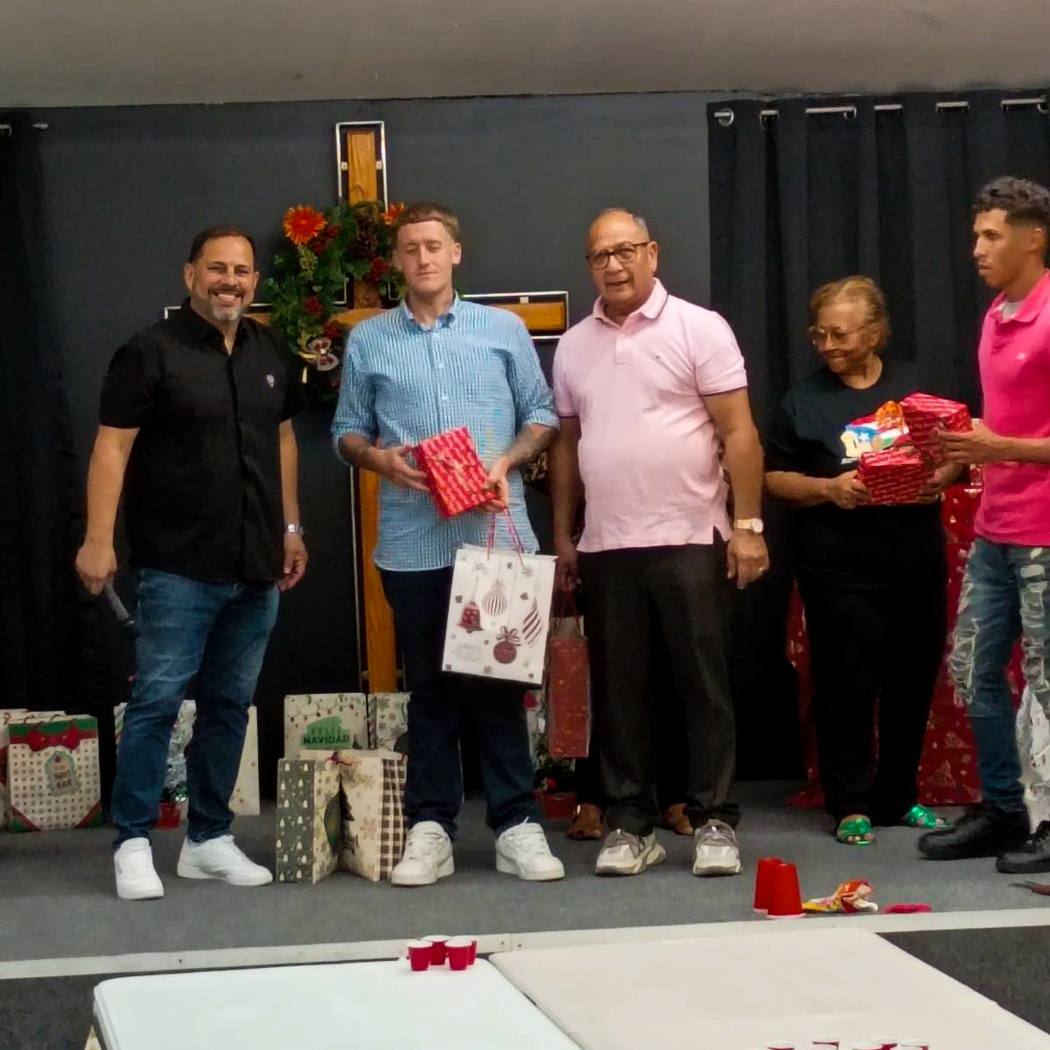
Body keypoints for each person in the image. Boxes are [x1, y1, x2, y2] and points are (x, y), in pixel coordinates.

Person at [332, 201, 565, 887]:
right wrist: (379, 461)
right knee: (430, 689)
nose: (423, 258)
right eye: (410, 248)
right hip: (413, 544)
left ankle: (516, 825)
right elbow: (345, 431)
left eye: (433, 246)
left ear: (455, 253)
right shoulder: (370, 340)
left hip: (495, 540)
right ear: (397, 261)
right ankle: (430, 827)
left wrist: (507, 461)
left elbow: (542, 413)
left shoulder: (504, 329)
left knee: (499, 686)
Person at [75, 226, 308, 901]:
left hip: (256, 563)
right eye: (216, 269)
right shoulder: (149, 352)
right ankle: (133, 842)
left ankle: (208, 839)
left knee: (230, 705)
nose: (229, 281)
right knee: (155, 704)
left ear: (254, 281)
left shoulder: (270, 351)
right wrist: (98, 539)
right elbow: (112, 448)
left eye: (241, 271)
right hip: (177, 564)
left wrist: (291, 527)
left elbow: (284, 438)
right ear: (190, 276)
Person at [549, 208, 768, 878]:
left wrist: (749, 526)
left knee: (703, 687)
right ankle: (629, 824)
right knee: (619, 693)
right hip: (606, 544)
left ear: (652, 252)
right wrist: (563, 536)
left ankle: (714, 820)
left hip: (691, 536)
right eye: (599, 256)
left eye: (625, 251)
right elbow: (567, 445)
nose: (613, 266)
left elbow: (739, 432)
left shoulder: (700, 328)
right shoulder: (573, 346)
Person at [766, 276, 956, 846]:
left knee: (911, 680)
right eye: (819, 334)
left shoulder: (915, 384)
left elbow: (956, 450)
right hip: (837, 567)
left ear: (875, 333)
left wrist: (942, 476)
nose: (827, 345)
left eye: (840, 334)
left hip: (915, 560)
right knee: (844, 683)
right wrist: (829, 489)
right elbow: (774, 479)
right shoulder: (802, 401)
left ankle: (899, 796)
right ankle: (849, 803)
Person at [920, 176, 1050, 872]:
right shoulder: (998, 313)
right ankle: (1004, 810)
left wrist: (997, 446)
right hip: (997, 528)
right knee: (972, 670)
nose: (976, 248)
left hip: (1046, 533)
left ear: (1034, 239)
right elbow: (1003, 424)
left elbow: (1011, 438)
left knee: (1047, 681)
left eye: (992, 235)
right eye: (976, 235)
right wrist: (956, 457)